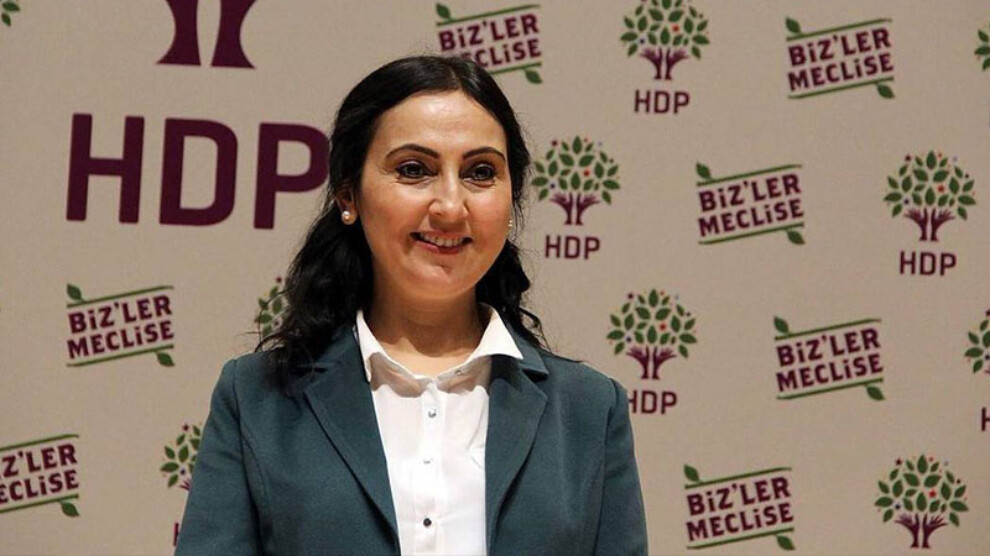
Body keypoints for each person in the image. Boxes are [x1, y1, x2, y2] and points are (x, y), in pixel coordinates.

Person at [175, 55, 647, 556]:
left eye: (480, 172)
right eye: (414, 170)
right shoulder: (258, 398)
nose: (450, 206)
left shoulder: (590, 410)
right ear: (348, 195)